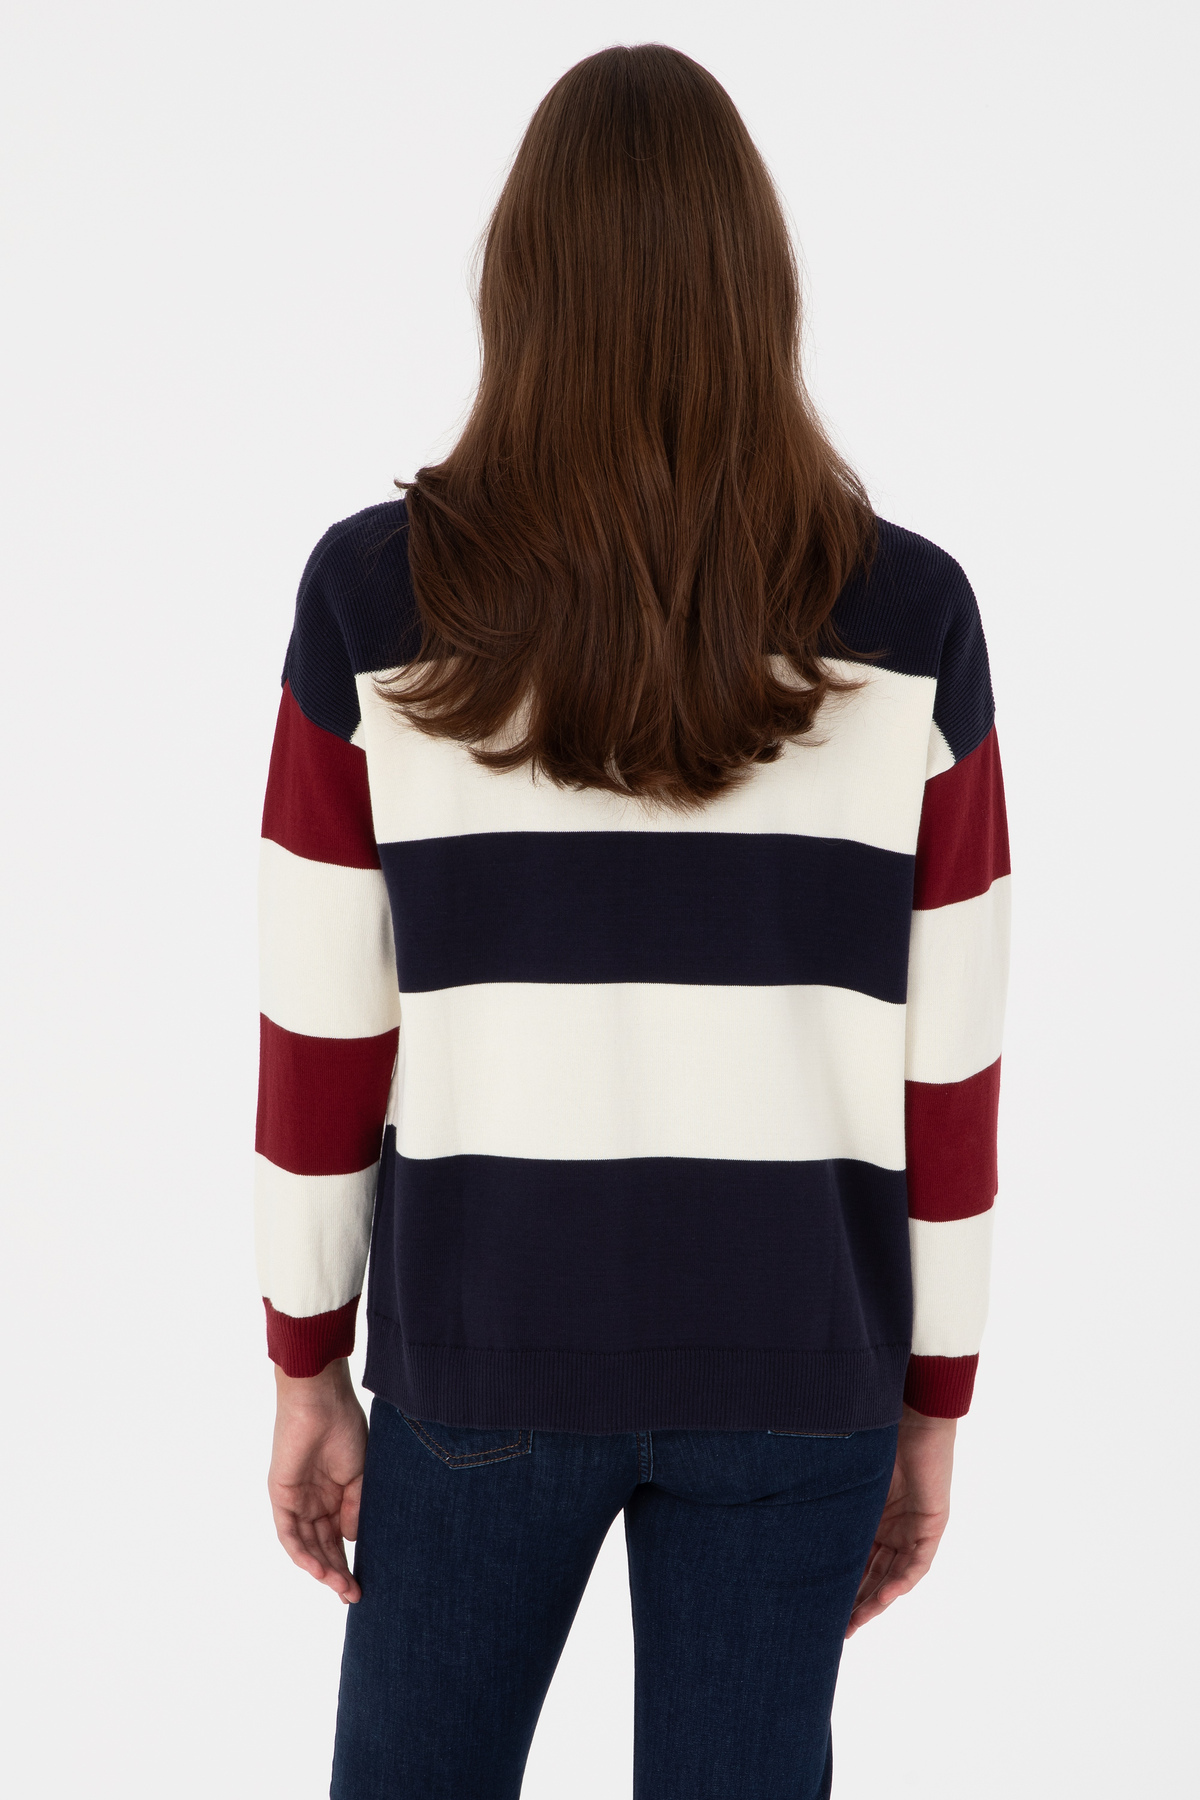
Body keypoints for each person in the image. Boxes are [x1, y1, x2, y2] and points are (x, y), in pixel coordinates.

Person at [256, 42, 1009, 1800]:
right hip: (802, 1357)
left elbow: (320, 1030)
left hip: (485, 1348)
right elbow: (953, 1063)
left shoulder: (377, 599)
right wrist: (936, 1399)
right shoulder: (909, 618)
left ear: (518, 284)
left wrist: (304, 1361)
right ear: (759, 289)